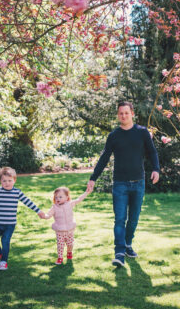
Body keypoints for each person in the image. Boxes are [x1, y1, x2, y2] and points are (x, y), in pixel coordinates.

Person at [86, 101, 160, 267]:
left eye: (126, 113)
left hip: (138, 183)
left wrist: (156, 169)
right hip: (120, 184)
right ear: (118, 115)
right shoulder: (114, 136)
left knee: (133, 219)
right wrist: (93, 178)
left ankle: (127, 244)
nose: (123, 116)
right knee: (120, 219)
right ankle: (119, 252)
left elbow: (152, 152)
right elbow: (104, 157)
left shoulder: (142, 133)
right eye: (121, 113)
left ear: (132, 113)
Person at [41, 186, 90, 265]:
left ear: (67, 197)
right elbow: (48, 215)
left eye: (60, 197)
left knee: (70, 244)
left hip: (70, 230)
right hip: (60, 231)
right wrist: (44, 216)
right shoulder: (54, 207)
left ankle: (69, 252)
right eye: (56, 197)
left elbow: (79, 199)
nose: (58, 198)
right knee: (60, 245)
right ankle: (60, 257)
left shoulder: (70, 204)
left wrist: (86, 192)